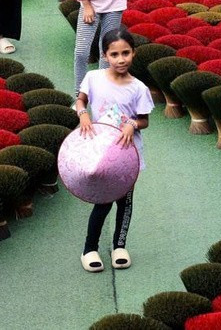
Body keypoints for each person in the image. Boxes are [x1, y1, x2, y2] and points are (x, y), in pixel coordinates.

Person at [74, 28, 154, 273]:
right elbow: (81, 100)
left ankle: (120, 246)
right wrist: (83, 113)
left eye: (126, 53)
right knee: (104, 200)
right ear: (105, 55)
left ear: (133, 53)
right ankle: (89, 249)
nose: (121, 59)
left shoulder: (138, 88)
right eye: (115, 54)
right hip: (101, 151)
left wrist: (132, 124)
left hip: (127, 153)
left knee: (125, 201)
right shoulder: (93, 78)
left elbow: (144, 120)